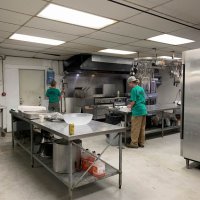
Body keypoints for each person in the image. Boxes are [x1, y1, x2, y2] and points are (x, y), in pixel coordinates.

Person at [127, 76, 147, 148]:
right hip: (143, 110)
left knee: (135, 128)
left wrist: (129, 106)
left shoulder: (134, 89)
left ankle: (134, 143)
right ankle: (141, 143)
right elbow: (144, 98)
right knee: (142, 127)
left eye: (129, 84)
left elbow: (133, 101)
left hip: (137, 111)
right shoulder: (141, 88)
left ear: (132, 82)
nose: (129, 85)